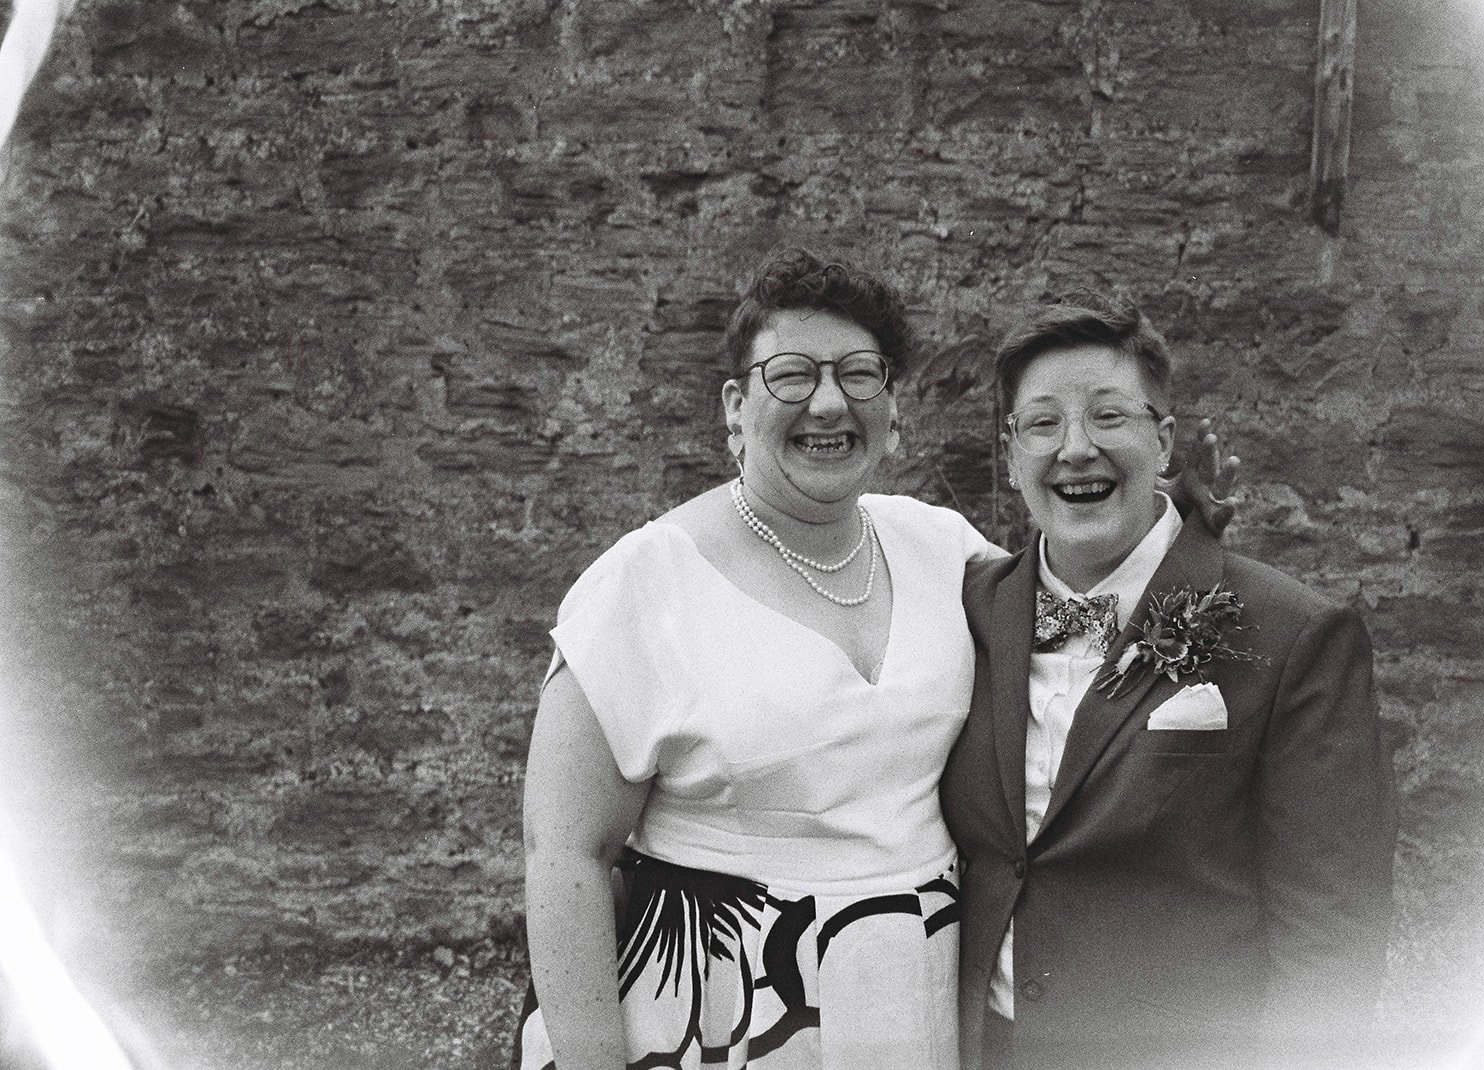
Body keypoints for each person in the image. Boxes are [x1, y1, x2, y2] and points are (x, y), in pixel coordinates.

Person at [515, 250, 1237, 1070]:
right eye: (792, 374)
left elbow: (1082, 621)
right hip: (714, 1010)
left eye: (861, 374)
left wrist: (1170, 528)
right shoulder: (641, 586)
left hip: (918, 999)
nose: (830, 400)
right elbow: (565, 854)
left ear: (891, 407)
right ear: (735, 404)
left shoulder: (939, 548)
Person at [939, 293, 1396, 1070]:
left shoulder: (1294, 635)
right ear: (1013, 455)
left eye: (1109, 416)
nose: (1075, 448)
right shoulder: (966, 611)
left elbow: (1333, 932)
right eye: (1043, 423)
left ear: (1165, 439)